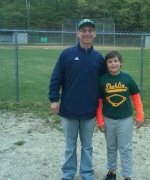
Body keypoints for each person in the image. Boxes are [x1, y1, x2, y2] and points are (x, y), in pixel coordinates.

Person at [48, 19, 105, 180]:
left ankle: (87, 173)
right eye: (83, 30)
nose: (87, 33)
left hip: (89, 110)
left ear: (94, 34)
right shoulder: (67, 54)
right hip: (69, 109)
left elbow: (103, 84)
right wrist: (54, 99)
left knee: (87, 147)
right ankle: (68, 173)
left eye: (90, 30)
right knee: (70, 146)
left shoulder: (98, 58)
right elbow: (56, 78)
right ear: (78, 33)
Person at [96, 50, 144, 180]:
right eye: (110, 61)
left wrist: (140, 115)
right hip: (108, 118)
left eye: (116, 61)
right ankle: (111, 172)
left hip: (125, 119)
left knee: (125, 148)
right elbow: (99, 102)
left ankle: (127, 175)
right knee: (111, 147)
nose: (113, 64)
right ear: (106, 64)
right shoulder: (102, 80)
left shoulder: (127, 78)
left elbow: (136, 97)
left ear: (121, 63)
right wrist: (100, 120)